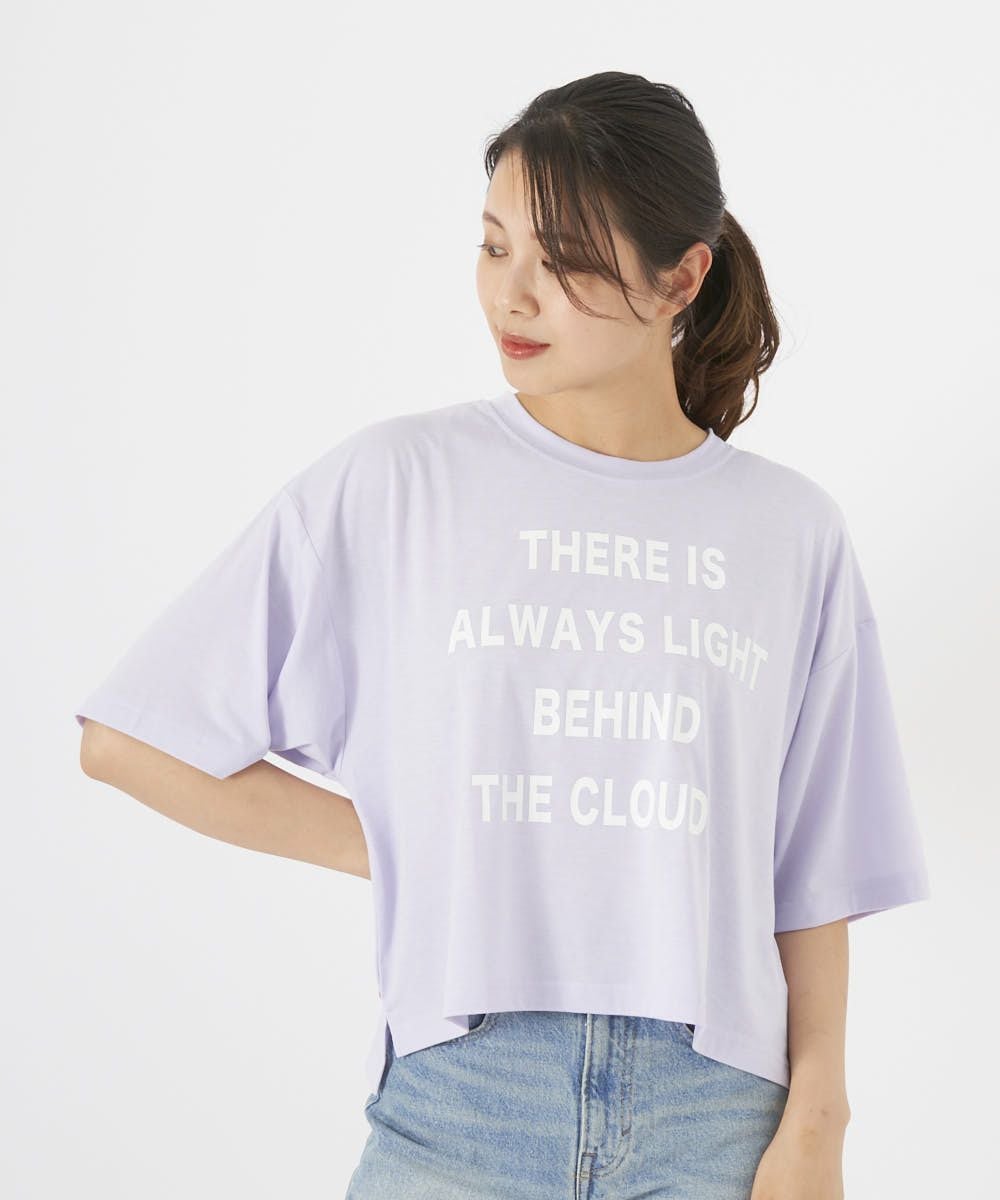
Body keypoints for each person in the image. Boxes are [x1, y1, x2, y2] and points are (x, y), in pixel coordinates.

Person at [75, 71, 931, 1200]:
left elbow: (811, 867)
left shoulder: (788, 531)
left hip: (716, 1117)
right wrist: (407, 843)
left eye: (563, 261)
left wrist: (819, 1125)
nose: (511, 296)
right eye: (492, 247)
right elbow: (131, 739)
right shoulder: (399, 483)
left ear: (682, 277)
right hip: (462, 1105)